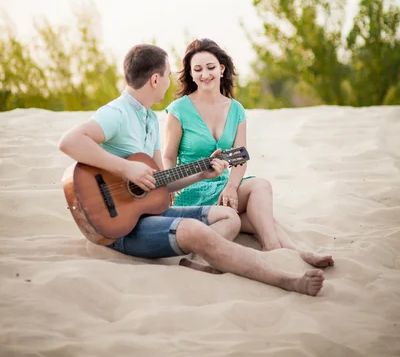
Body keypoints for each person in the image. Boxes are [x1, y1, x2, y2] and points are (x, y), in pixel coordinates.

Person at [59, 43, 325, 296]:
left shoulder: (150, 119)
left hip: (144, 212)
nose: (170, 82)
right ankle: (285, 279)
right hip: (115, 227)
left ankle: (276, 252)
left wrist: (201, 174)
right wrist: (127, 169)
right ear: (155, 80)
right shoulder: (117, 113)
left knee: (230, 217)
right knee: (196, 229)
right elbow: (69, 141)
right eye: (166, 75)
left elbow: (160, 182)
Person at [163, 38, 334, 269]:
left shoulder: (236, 109)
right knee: (262, 215)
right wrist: (170, 183)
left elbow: (240, 158)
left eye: (211, 67)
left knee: (260, 198)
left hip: (223, 188)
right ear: (191, 74)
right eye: (198, 69)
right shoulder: (179, 110)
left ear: (222, 69)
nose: (205, 74)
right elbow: (168, 155)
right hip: (192, 188)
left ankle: (287, 251)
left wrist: (232, 186)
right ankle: (286, 252)